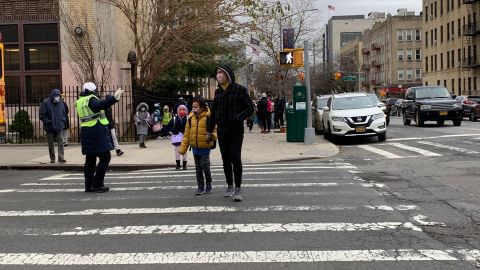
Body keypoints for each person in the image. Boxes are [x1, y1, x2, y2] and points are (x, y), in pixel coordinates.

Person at [208, 64, 254, 202]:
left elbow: (249, 108)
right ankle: (229, 185)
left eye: (221, 72)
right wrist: (209, 130)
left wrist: (238, 117)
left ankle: (238, 188)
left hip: (235, 130)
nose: (218, 75)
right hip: (222, 130)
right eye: (217, 73)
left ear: (228, 74)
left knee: (235, 158)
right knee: (226, 159)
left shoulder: (240, 90)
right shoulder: (218, 92)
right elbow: (214, 111)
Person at [75, 82, 123, 193]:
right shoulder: (91, 99)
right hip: (96, 132)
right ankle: (96, 184)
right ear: (93, 91)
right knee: (105, 157)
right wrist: (113, 99)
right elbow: (98, 106)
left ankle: (89, 185)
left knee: (90, 160)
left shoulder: (80, 101)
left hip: (86, 131)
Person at [179, 96, 217, 195]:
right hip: (195, 147)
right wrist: (183, 149)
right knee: (198, 168)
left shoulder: (209, 116)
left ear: (202, 107)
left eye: (196, 107)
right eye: (193, 106)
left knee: (205, 166)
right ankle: (200, 186)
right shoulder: (191, 118)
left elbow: (214, 130)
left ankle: (209, 183)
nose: (194, 108)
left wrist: (212, 136)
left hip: (205, 146)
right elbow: (187, 134)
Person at [39, 89, 67, 163]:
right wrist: (48, 121)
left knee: (61, 142)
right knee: (51, 143)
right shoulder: (45, 103)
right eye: (56, 96)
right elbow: (42, 115)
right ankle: (52, 158)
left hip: (59, 126)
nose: (57, 97)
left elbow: (64, 113)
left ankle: (61, 157)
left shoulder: (61, 102)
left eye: (58, 96)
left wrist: (63, 120)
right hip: (49, 127)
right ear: (52, 96)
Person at [168, 104, 189, 170]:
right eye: (180, 109)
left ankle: (184, 165)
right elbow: (169, 126)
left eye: (183, 109)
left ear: (186, 111)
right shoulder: (174, 119)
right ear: (178, 111)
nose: (182, 111)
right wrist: (175, 131)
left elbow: (190, 127)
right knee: (177, 151)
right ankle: (178, 164)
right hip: (177, 137)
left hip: (185, 137)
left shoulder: (188, 118)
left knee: (184, 151)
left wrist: (185, 132)